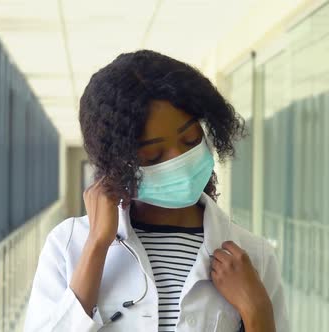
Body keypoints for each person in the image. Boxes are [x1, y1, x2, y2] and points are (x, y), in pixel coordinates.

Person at [24, 50, 289, 332]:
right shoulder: (68, 244)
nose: (180, 161)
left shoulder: (253, 255)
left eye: (190, 139)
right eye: (153, 155)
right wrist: (96, 247)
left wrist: (256, 310)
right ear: (119, 162)